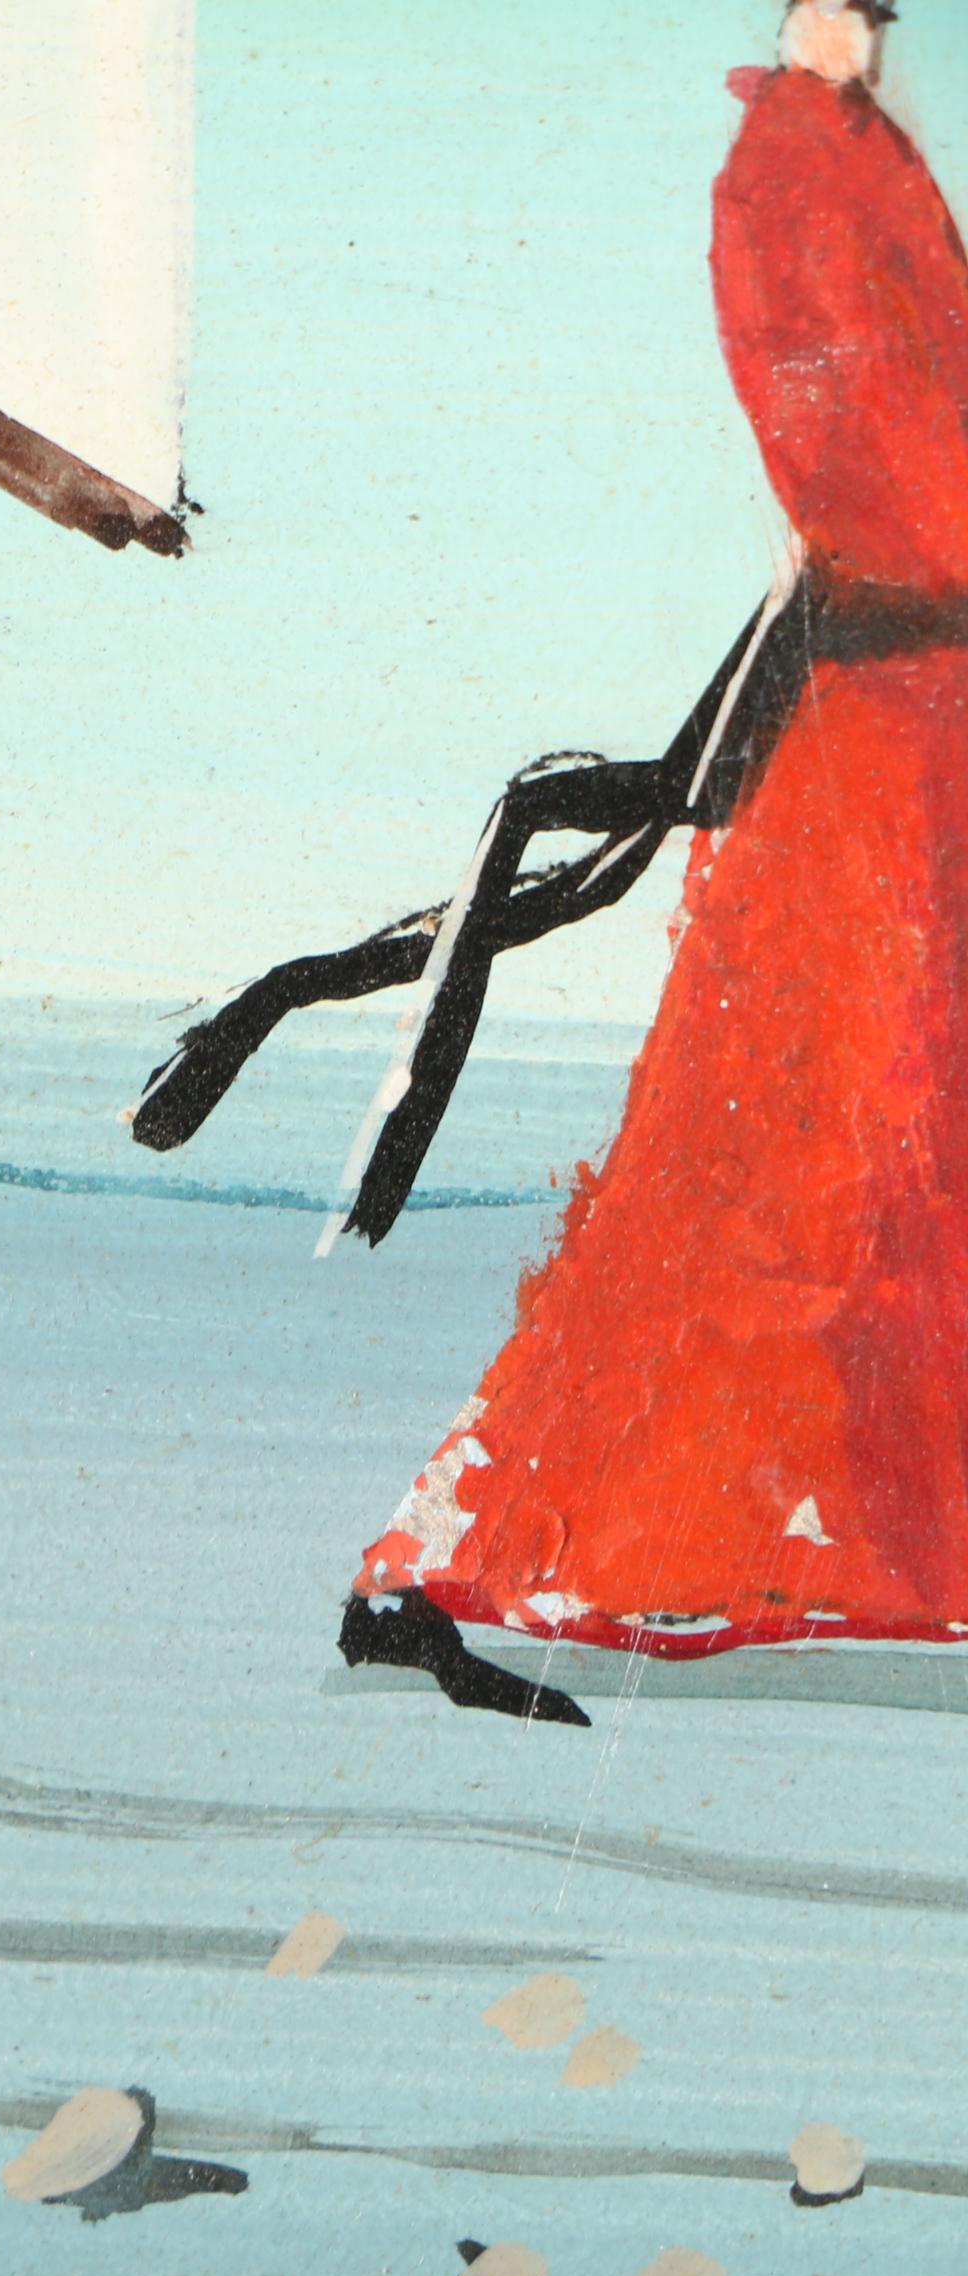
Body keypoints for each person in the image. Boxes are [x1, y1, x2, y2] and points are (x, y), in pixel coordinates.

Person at [342, 0, 968, 1723]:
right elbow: (865, 442)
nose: (868, 29)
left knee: (886, 1139)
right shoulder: (789, 173)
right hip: (876, 742)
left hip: (916, 724)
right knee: (794, 1142)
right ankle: (586, 1536)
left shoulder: (866, 163)